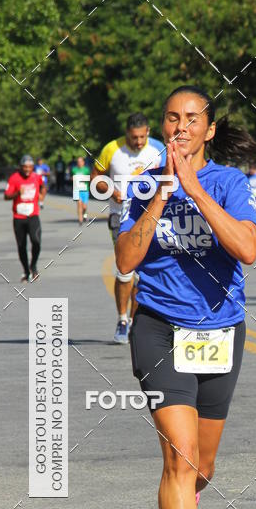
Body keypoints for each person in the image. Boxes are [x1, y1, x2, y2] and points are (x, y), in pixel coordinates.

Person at [115, 85, 256, 509]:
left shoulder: (230, 183)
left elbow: (247, 249)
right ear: (162, 126)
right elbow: (125, 261)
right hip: (158, 328)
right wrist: (160, 196)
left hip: (220, 332)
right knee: (179, 457)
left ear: (209, 129)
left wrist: (195, 190)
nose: (181, 127)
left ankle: (185, 499)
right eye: (172, 118)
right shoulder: (142, 184)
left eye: (192, 118)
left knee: (203, 465)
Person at [91, 113, 166, 344]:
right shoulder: (112, 149)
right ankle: (122, 319)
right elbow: (95, 178)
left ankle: (135, 321)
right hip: (120, 216)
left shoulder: (158, 149)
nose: (139, 142)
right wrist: (111, 190)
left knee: (143, 272)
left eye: (143, 137)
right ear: (127, 134)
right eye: (134, 137)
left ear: (148, 132)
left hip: (150, 217)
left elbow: (171, 176)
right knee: (125, 269)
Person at [4, 155, 46, 282]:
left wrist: (42, 196)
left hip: (33, 216)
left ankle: (33, 266)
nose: (27, 169)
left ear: (33, 167)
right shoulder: (14, 178)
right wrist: (17, 193)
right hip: (19, 217)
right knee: (21, 246)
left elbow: (43, 187)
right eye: (25, 167)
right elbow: (6, 196)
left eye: (30, 167)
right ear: (20, 167)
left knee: (36, 241)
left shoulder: (36, 177)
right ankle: (26, 271)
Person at [71, 156, 90, 224]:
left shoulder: (86, 170)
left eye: (80, 161)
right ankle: (80, 220)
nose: (79, 163)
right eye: (78, 162)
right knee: (79, 204)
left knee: (84, 206)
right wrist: (73, 179)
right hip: (76, 190)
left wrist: (83, 179)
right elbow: (71, 177)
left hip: (85, 190)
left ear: (83, 162)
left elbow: (90, 178)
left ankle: (84, 215)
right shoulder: (74, 170)